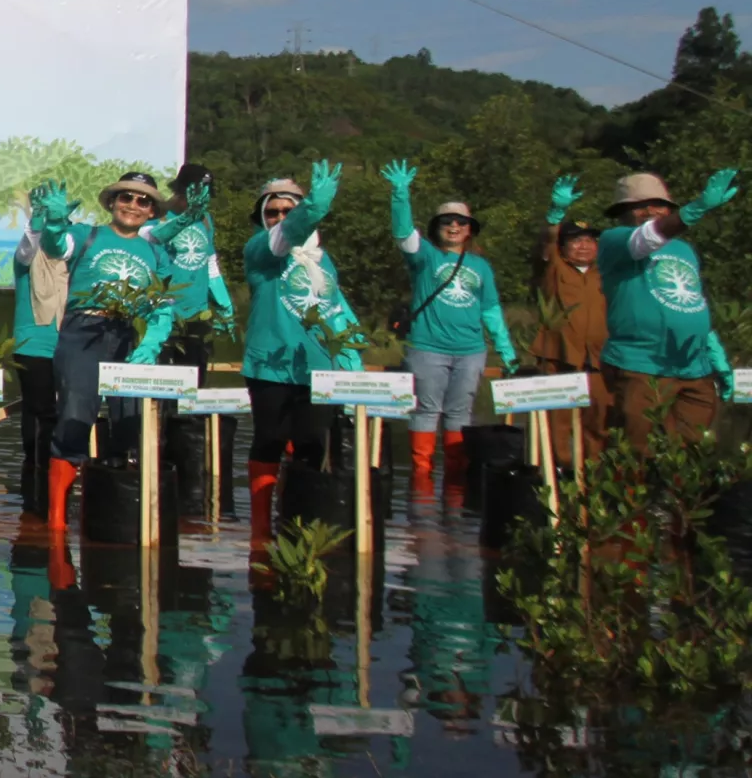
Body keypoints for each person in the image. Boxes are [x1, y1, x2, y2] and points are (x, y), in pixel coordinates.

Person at [35, 171, 184, 530]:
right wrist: (55, 223)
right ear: (112, 203)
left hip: (128, 335)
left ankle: (114, 518)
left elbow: (163, 306)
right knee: (74, 417)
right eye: (126, 197)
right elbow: (56, 248)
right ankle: (56, 523)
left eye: (143, 201)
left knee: (130, 423)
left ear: (151, 212)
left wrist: (150, 343)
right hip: (83, 332)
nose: (134, 205)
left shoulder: (156, 253)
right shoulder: (86, 234)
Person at [240, 165, 358, 541]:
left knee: (310, 444)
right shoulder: (260, 248)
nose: (278, 217)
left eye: (286, 210)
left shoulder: (323, 260)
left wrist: (353, 359)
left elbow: (336, 309)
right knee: (269, 441)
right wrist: (311, 209)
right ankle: (260, 531)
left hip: (317, 368)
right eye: (271, 212)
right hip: (268, 364)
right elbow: (283, 239)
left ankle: (298, 527)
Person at [383, 163, 514, 470]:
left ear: (470, 229)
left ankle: (455, 485)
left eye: (461, 221)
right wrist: (400, 194)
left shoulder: (482, 267)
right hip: (428, 348)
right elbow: (403, 233)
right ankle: (422, 484)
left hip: (471, 352)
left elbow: (491, 311)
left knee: (460, 414)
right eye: (447, 221)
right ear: (437, 227)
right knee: (426, 411)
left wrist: (506, 352)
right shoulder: (426, 256)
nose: (454, 226)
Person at [596, 168, 738, 450]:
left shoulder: (684, 249)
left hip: (694, 367)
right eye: (640, 205)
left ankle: (675, 496)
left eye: (659, 203)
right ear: (623, 212)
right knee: (636, 450)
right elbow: (646, 239)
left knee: (691, 453)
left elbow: (691, 300)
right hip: (641, 364)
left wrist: (712, 349)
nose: (651, 210)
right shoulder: (615, 240)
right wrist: (695, 209)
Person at [152, 162, 237, 479]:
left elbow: (210, 264)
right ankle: (154, 454)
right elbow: (154, 241)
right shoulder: (162, 219)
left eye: (206, 192)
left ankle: (182, 463)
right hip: (165, 315)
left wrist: (225, 304)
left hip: (197, 315)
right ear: (180, 191)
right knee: (161, 391)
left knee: (192, 388)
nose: (201, 198)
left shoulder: (206, 221)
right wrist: (184, 218)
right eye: (195, 191)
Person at [532, 173, 609, 452]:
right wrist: (556, 214)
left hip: (601, 360)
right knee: (558, 427)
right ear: (564, 247)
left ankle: (595, 483)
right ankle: (559, 477)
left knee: (600, 422)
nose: (584, 245)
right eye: (576, 240)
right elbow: (547, 241)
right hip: (560, 356)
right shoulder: (555, 268)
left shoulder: (607, 273)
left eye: (590, 240)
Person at [9, 207, 64, 506]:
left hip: (70, 344)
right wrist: (35, 226)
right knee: (39, 411)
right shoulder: (25, 261)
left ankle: (57, 476)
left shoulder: (70, 263)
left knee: (65, 412)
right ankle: (35, 475)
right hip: (33, 346)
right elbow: (26, 248)